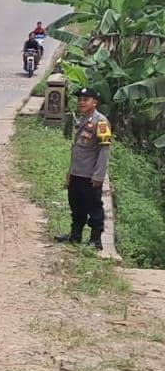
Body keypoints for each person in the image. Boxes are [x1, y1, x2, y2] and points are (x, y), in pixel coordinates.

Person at [55, 87, 113, 250]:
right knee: (76, 205)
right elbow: (77, 150)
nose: (81, 102)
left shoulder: (100, 122)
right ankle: (75, 235)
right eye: (80, 99)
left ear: (94, 102)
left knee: (93, 207)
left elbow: (104, 150)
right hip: (77, 173)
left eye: (85, 99)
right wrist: (70, 172)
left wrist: (99, 175)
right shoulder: (82, 120)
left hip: (90, 174)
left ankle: (95, 240)